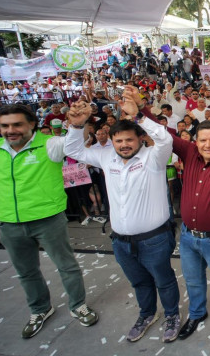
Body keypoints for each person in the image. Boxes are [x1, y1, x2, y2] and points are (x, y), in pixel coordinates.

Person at [0, 104, 98, 339]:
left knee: (67, 267)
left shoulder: (49, 145)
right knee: (26, 272)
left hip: (48, 220)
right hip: (10, 223)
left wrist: (77, 126)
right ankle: (40, 309)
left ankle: (78, 305)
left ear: (32, 124)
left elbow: (72, 146)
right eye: (4, 126)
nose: (10, 130)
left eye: (17, 124)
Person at [65, 96, 181, 342]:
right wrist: (76, 126)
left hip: (155, 239)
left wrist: (139, 115)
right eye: (119, 141)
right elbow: (73, 150)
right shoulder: (106, 158)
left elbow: (165, 139)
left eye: (130, 139)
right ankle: (147, 314)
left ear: (140, 139)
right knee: (139, 283)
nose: (124, 145)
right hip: (121, 242)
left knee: (164, 281)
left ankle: (172, 315)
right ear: (113, 143)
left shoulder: (154, 157)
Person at [141, 93, 210, 342]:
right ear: (195, 142)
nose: (207, 145)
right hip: (187, 237)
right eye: (203, 140)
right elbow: (162, 134)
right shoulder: (189, 153)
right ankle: (197, 313)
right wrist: (139, 110)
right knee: (194, 281)